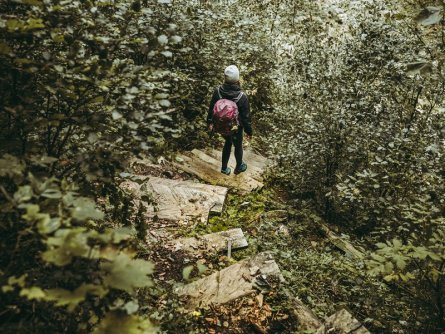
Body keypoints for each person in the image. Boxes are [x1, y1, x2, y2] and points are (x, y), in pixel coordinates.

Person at [207, 65, 252, 175]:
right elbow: (246, 117)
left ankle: (224, 168)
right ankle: (239, 166)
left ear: (225, 78)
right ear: (237, 79)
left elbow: (211, 108)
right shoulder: (242, 97)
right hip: (237, 127)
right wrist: (249, 131)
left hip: (222, 126)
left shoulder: (218, 91)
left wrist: (209, 122)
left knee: (227, 142)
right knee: (238, 145)